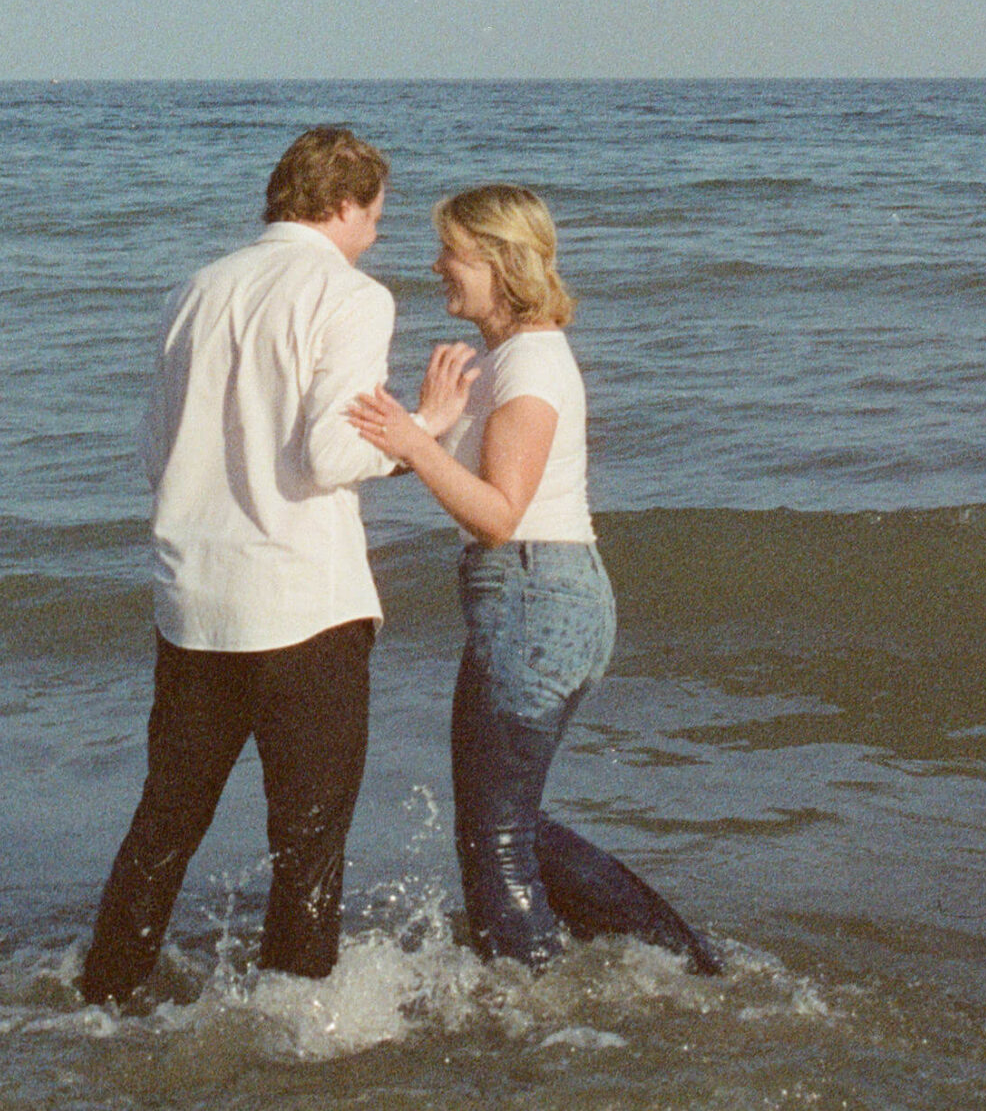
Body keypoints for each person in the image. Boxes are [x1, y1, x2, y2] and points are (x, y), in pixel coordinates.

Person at [80, 126, 461, 1006]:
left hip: (194, 601)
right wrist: (427, 429)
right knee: (309, 837)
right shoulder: (350, 293)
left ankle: (104, 997)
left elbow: (152, 445)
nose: (375, 231)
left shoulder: (196, 287)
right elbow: (332, 456)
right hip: (301, 605)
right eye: (373, 214)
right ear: (340, 205)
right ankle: (295, 1025)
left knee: (165, 823)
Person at [348, 185, 719, 974]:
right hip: (545, 596)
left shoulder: (530, 364)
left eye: (452, 250)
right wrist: (432, 426)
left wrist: (418, 443)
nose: (437, 264)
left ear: (499, 263)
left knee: (496, 835)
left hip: (532, 593)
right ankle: (671, 959)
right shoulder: (512, 359)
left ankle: (527, 995)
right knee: (508, 822)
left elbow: (497, 515)